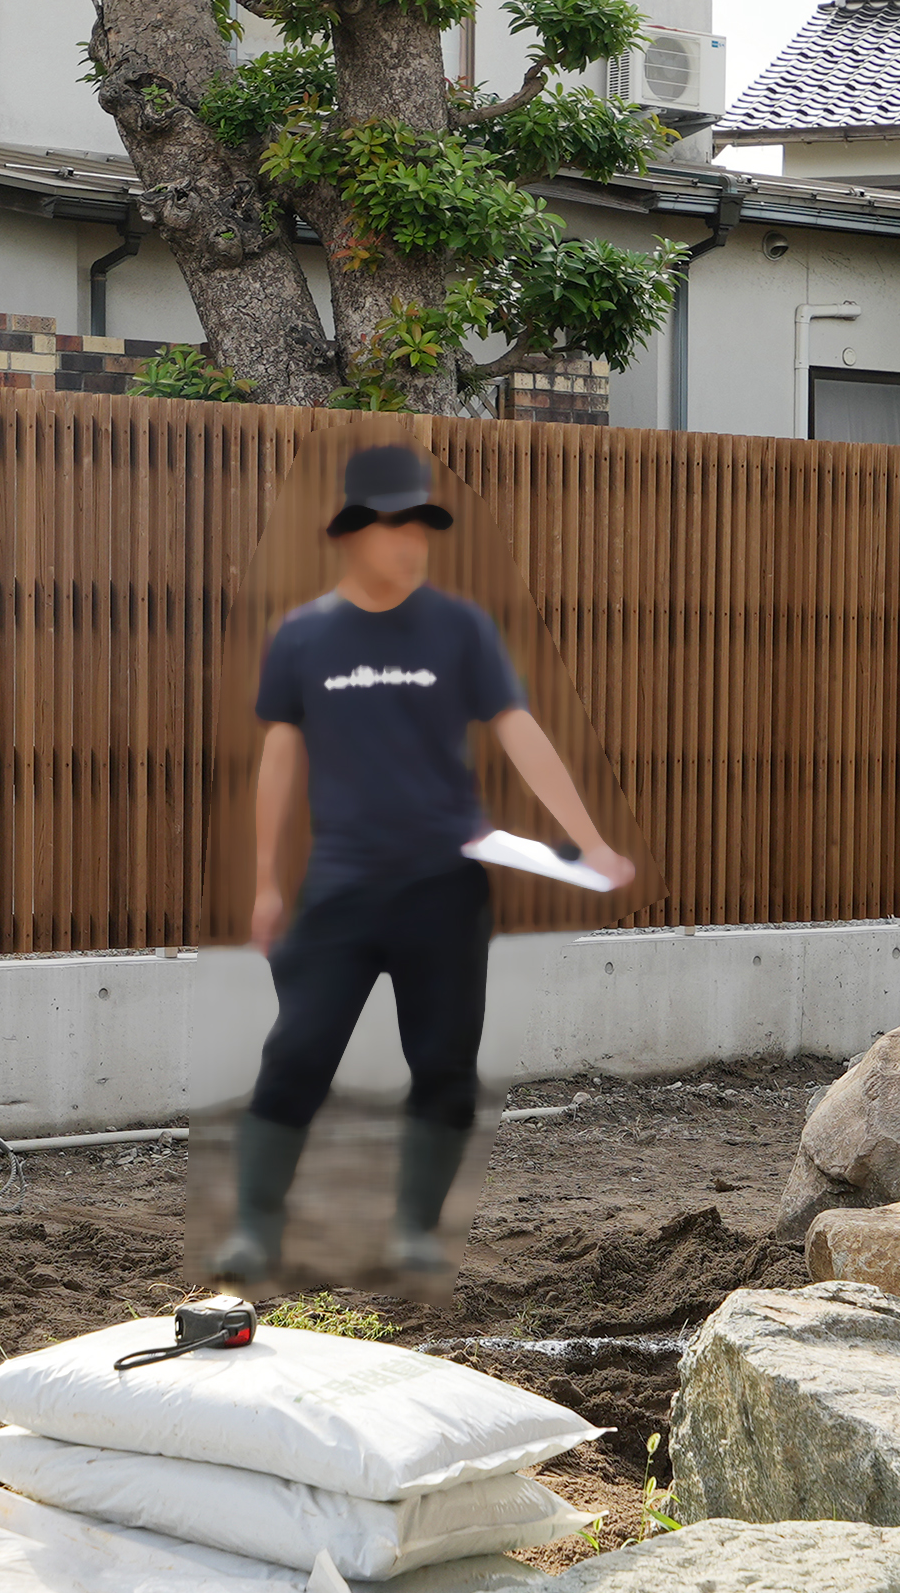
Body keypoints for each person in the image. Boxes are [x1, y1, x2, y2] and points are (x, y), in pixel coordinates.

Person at [214, 441, 635, 1284]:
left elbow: (520, 733)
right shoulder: (302, 638)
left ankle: (415, 1230)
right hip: (339, 888)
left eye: (422, 527)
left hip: (443, 890)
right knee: (296, 1054)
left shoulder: (459, 628)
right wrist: (266, 881)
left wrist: (585, 839)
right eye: (394, 526)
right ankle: (255, 1228)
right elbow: (280, 761)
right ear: (354, 533)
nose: (411, 543)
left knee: (443, 1063)